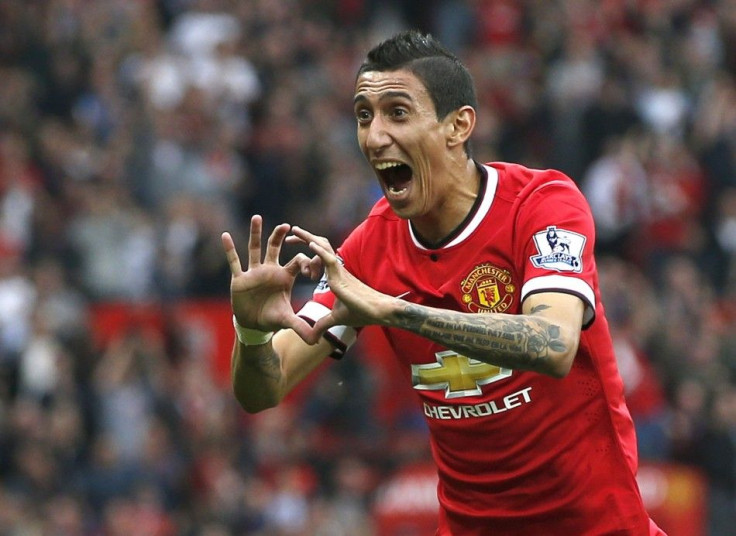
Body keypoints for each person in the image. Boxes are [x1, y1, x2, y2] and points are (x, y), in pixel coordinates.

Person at [221, 30, 666, 536]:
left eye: (397, 112)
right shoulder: (370, 248)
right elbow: (264, 387)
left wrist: (395, 311)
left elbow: (554, 343)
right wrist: (252, 333)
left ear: (458, 126)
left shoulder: (541, 205)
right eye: (364, 116)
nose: (374, 135)